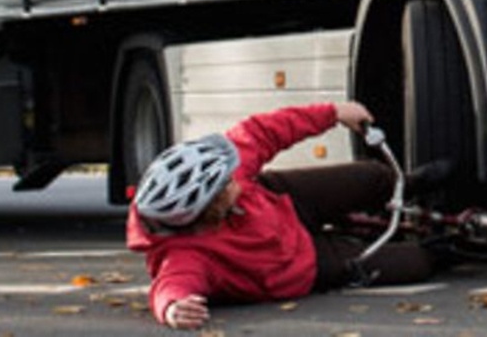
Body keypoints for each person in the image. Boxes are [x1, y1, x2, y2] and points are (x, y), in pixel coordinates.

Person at [126, 102, 437, 330]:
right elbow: (171, 285)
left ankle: (415, 182)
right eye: (228, 183)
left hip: (284, 202)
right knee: (415, 261)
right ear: (212, 208)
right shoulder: (188, 255)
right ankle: (450, 248)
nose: (236, 177)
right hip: (299, 263)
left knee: (371, 178)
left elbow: (264, 131)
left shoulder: (234, 175)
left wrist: (334, 114)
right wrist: (173, 309)